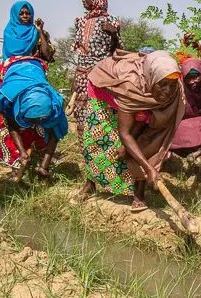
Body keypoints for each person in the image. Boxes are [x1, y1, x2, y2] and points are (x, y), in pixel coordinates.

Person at [78, 50, 184, 212]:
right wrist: (149, 168)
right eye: (162, 85)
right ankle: (90, 184)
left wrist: (131, 143)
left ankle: (139, 194)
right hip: (105, 93)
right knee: (100, 141)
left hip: (140, 100)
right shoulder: (131, 86)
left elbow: (147, 125)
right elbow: (125, 133)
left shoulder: (174, 83)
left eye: (172, 85)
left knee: (145, 142)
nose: (168, 90)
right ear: (152, 80)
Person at [0, 0, 62, 176]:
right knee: (10, 115)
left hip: (35, 77)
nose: (25, 16)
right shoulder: (9, 32)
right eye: (21, 13)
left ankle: (38, 162)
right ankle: (22, 156)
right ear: (15, 14)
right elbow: (10, 57)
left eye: (27, 13)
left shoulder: (37, 33)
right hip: (13, 77)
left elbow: (46, 55)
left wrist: (39, 32)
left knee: (46, 110)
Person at [0, 55, 67, 179]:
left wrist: (44, 166)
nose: (34, 124)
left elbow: (55, 133)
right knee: (5, 129)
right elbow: (11, 125)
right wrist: (22, 152)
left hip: (36, 69)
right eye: (31, 121)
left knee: (52, 127)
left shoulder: (54, 104)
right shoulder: (6, 100)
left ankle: (40, 162)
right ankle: (16, 165)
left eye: (41, 120)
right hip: (11, 69)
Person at [71, 0, 121, 121]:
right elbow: (81, 51)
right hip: (82, 74)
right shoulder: (80, 22)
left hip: (102, 74)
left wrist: (113, 33)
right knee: (82, 113)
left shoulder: (111, 21)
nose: (83, 0)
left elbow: (119, 52)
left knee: (103, 114)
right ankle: (83, 142)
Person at [170, 57, 201, 157]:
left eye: (195, 77)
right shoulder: (180, 89)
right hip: (187, 125)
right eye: (188, 78)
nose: (191, 81)